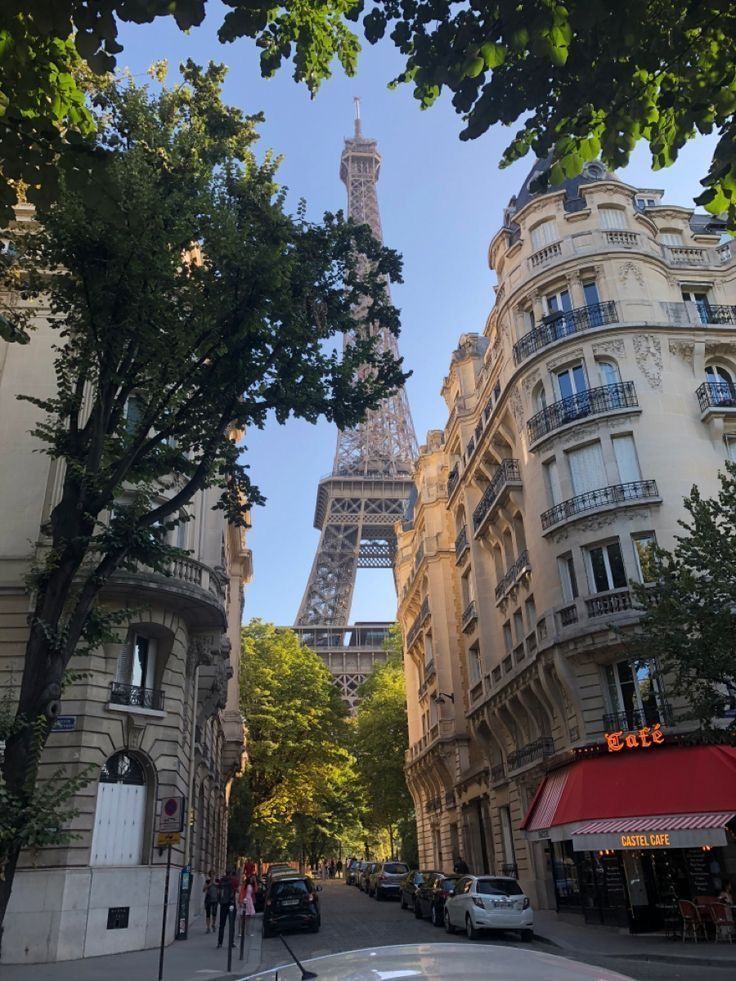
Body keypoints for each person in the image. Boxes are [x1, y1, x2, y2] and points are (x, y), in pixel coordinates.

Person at [216, 868, 238, 949]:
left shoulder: (221, 881)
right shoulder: (233, 881)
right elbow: (236, 889)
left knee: (222, 924)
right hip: (231, 903)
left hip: (223, 904)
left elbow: (218, 891)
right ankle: (231, 942)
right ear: (231, 873)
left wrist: (219, 901)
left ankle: (219, 943)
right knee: (231, 924)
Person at [202, 870, 218, 934]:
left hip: (215, 900)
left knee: (214, 914)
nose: (212, 876)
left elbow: (220, 886)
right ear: (209, 875)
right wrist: (209, 885)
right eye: (211, 874)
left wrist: (215, 883)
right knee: (208, 914)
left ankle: (213, 924)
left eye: (213, 874)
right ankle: (208, 927)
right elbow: (203, 889)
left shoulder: (217, 881)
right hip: (208, 900)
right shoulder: (207, 881)